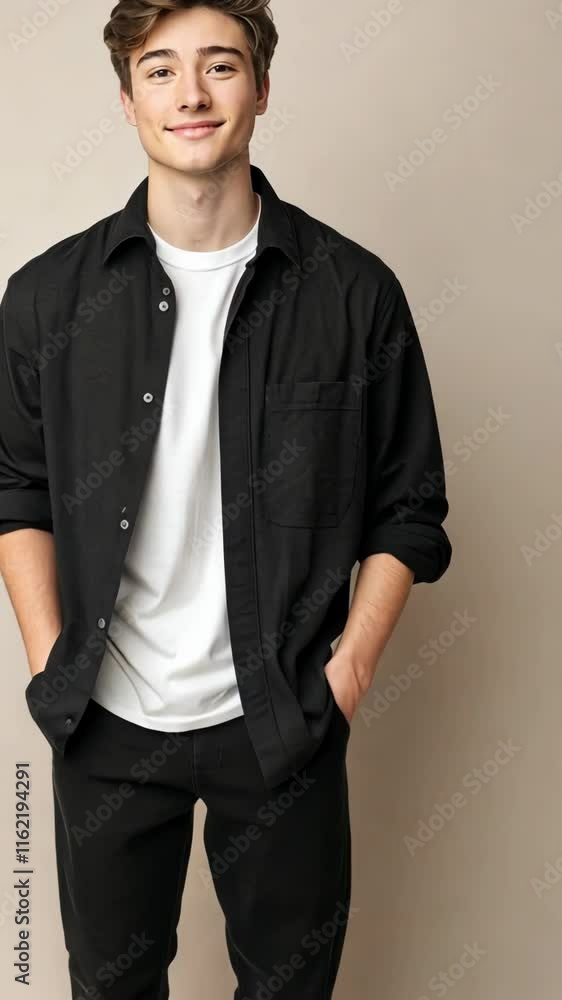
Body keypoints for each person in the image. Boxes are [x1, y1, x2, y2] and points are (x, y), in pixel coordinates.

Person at [0, 1, 452, 997]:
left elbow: (409, 507)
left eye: (220, 65)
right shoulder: (46, 299)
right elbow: (15, 487)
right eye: (160, 70)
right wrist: (48, 658)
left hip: (282, 718)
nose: (191, 94)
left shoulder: (353, 293)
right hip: (107, 724)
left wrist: (347, 672)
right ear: (127, 101)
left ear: (262, 87)